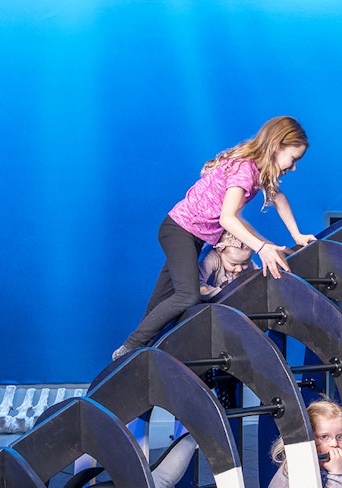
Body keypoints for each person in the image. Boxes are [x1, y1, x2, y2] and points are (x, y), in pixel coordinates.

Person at [113, 116, 316, 359]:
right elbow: (227, 219)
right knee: (187, 296)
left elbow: (279, 199)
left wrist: (296, 234)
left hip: (192, 236)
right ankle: (130, 349)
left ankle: (135, 359)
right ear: (277, 146)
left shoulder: (257, 170)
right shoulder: (244, 170)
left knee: (161, 300)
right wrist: (261, 248)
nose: (294, 167)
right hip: (179, 230)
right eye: (294, 159)